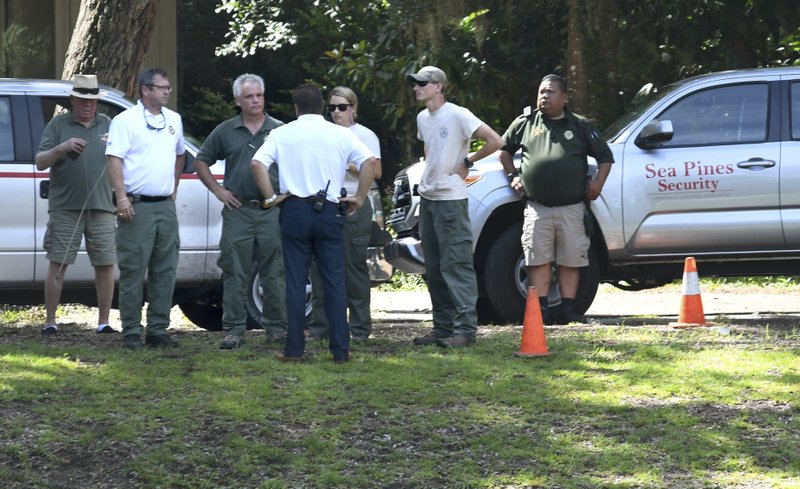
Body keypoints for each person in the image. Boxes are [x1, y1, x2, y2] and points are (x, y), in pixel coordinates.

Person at [251, 83, 377, 364]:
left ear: (296, 108)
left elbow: (257, 164)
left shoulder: (282, 133)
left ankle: (294, 349)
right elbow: (370, 162)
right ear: (322, 106)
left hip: (294, 209)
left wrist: (270, 198)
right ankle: (340, 349)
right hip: (329, 211)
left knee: (296, 281)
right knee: (335, 281)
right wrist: (359, 197)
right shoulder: (340, 133)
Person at [499, 74, 613, 324]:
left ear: (564, 97)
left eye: (550, 92)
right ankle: (539, 310)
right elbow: (504, 151)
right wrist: (513, 176)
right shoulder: (525, 123)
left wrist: (598, 184)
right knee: (537, 258)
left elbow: (605, 157)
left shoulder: (580, 125)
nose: (544, 96)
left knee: (570, 259)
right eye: (541, 92)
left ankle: (569, 310)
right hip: (537, 207)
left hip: (572, 206)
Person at [407, 66, 504, 348]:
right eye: (415, 83)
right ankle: (442, 328)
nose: (416, 87)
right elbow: (430, 150)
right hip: (429, 199)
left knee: (456, 266)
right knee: (434, 268)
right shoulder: (423, 118)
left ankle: (464, 332)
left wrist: (467, 162)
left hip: (451, 200)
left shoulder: (458, 114)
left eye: (422, 83)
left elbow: (496, 141)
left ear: (438, 86)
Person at [194, 74, 288, 350]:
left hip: (271, 210)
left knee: (275, 271)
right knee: (234, 270)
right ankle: (234, 329)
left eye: (259, 95)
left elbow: (296, 164)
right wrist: (218, 191)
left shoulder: (280, 130)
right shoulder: (226, 130)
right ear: (237, 101)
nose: (255, 100)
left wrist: (286, 196)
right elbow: (201, 161)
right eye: (249, 97)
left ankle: (276, 328)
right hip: (239, 210)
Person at [106, 68, 186, 349]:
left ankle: (158, 329)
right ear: (145, 89)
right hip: (136, 205)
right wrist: (122, 198)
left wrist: (174, 186)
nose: (166, 92)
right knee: (133, 268)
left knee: (165, 269)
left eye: (168, 88)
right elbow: (114, 159)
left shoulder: (173, 119)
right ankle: (131, 329)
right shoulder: (125, 120)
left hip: (164, 206)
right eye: (161, 87)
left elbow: (180, 154)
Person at [35, 74, 115, 335]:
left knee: (105, 263)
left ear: (97, 102)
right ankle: (50, 322)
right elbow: (40, 161)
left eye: (92, 101)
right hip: (65, 208)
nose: (87, 105)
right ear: (72, 100)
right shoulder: (58, 125)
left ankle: (104, 322)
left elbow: (126, 158)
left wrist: (114, 145)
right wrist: (62, 147)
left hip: (102, 206)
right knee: (58, 262)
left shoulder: (108, 124)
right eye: (82, 100)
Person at [308, 86, 382, 344]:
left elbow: (376, 171)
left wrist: (346, 164)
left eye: (342, 107)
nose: (336, 112)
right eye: (332, 108)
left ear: (353, 108)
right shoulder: (324, 135)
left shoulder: (364, 135)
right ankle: (321, 328)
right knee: (319, 267)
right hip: (325, 204)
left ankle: (359, 328)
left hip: (354, 204)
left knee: (353, 267)